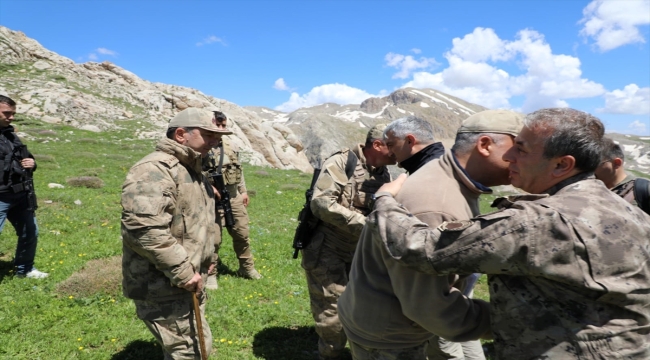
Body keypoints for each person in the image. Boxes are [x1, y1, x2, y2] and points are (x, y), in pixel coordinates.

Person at [371, 108, 650, 359]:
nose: (509, 156)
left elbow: (421, 249)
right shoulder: (629, 211)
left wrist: (384, 201)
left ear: (561, 165)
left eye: (522, 149)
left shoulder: (541, 221)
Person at [339, 110, 524, 360]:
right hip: (390, 336)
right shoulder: (436, 203)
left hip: (385, 320)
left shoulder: (447, 178)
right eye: (518, 147)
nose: (520, 158)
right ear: (485, 145)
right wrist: (519, 322)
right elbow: (428, 307)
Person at [121, 107, 230, 359]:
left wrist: (209, 258)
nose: (216, 143)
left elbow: (200, 221)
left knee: (193, 345)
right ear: (181, 134)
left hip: (185, 279)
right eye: (209, 136)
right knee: (190, 351)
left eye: (218, 137)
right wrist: (183, 271)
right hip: (164, 283)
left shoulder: (193, 169)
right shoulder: (154, 170)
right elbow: (143, 229)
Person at [302, 124, 396, 360]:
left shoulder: (382, 172)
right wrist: (367, 225)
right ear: (377, 145)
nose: (398, 152)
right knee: (331, 309)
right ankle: (330, 355)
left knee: (360, 305)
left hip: (359, 250)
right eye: (393, 146)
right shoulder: (342, 163)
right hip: (326, 248)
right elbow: (321, 203)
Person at [203, 110, 261, 286]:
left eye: (223, 125)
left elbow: (238, 169)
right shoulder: (202, 146)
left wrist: (243, 191)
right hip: (211, 200)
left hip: (234, 196)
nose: (220, 128)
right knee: (214, 240)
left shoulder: (231, 145)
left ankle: (247, 267)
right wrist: (209, 187)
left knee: (242, 234)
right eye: (217, 125)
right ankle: (211, 272)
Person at [0, 95, 47, 279]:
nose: (11, 117)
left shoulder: (11, 135)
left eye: (13, 114)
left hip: (20, 195)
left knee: (30, 231)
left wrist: (31, 163)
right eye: (6, 113)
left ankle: (25, 270)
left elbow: (27, 158)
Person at [595, 137, 650, 214]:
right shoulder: (591, 188)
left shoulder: (643, 190)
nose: (589, 169)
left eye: (594, 164)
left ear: (617, 163)